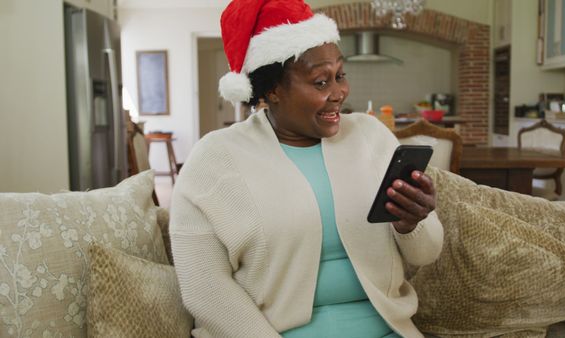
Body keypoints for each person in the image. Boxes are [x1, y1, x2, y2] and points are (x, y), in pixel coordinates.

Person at [169, 0, 444, 337]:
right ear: (272, 90)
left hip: (387, 329)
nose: (339, 93)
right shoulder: (215, 159)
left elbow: (427, 254)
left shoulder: (371, 137)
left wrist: (411, 223)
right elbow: (204, 288)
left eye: (340, 76)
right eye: (320, 82)